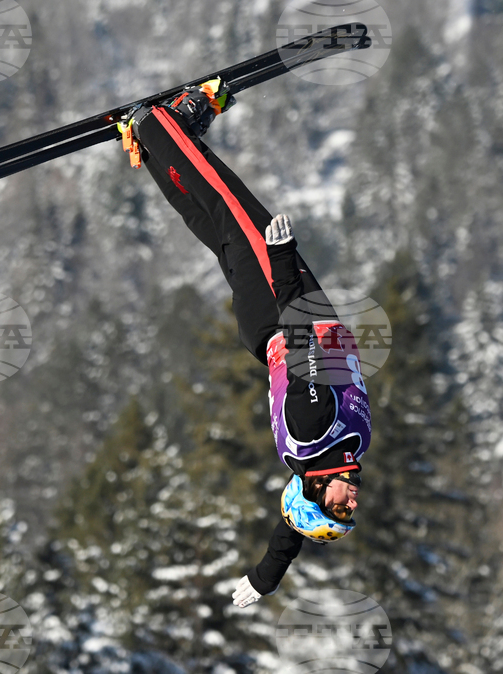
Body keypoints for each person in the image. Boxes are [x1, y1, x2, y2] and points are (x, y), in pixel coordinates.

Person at [123, 79, 372, 608]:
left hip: (284, 309)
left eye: (340, 507)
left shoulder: (315, 428)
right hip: (270, 325)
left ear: (315, 492)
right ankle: (157, 144)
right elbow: (294, 528)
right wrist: (267, 575)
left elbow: (302, 335)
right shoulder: (328, 457)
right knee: (213, 223)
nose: (352, 501)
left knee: (230, 205)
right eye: (350, 509)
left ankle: (157, 124)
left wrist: (281, 257)